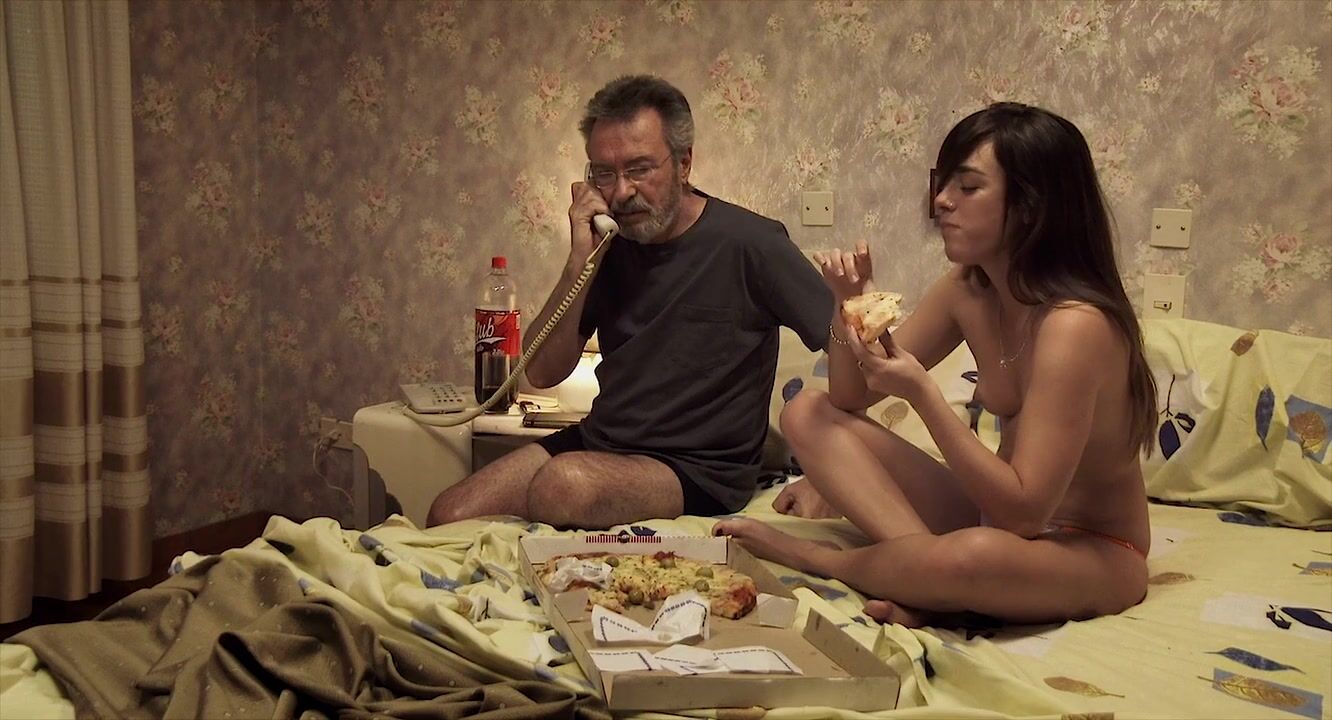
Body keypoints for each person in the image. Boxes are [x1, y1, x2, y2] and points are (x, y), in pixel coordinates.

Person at [714, 102, 1157, 628]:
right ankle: (923, 579)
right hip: (996, 518)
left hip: (1090, 547)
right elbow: (851, 397)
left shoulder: (1076, 326)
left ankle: (823, 560)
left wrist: (922, 394)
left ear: (1030, 206)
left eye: (968, 187)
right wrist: (846, 307)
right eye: (944, 184)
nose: (942, 200)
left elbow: (1025, 515)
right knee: (806, 412)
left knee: (975, 555)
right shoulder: (966, 290)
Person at [427, 75, 832, 530]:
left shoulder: (752, 243)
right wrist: (580, 259)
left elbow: (853, 348)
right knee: (449, 513)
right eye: (604, 173)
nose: (621, 192)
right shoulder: (609, 245)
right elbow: (540, 374)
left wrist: (826, 478)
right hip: (601, 444)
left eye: (639, 169)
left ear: (684, 163)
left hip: (699, 471)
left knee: (563, 486)